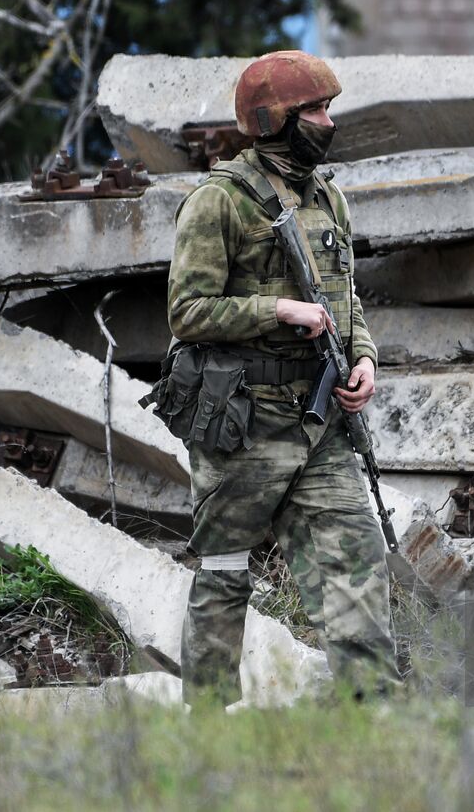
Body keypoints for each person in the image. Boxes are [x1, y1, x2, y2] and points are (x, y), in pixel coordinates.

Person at [153, 49, 399, 706]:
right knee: (226, 574)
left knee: (358, 562)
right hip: (245, 422)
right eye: (315, 110)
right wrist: (277, 309)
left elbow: (346, 298)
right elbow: (187, 311)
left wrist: (366, 360)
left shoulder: (329, 197)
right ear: (276, 120)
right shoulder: (218, 201)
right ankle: (206, 726)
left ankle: (372, 722)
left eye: (327, 108)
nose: (327, 121)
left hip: (320, 419)